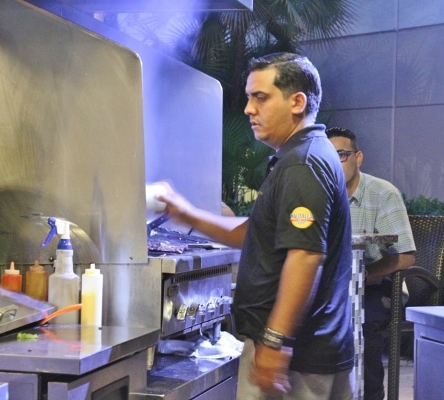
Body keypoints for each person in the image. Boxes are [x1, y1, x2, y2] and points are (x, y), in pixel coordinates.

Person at [157, 52, 354, 399]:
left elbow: (305, 257)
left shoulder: (302, 163)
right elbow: (254, 233)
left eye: (260, 97)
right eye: (249, 97)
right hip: (307, 349)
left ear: (297, 102)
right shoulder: (300, 156)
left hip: (298, 358)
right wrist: (187, 214)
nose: (248, 109)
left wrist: (276, 341)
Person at [326, 126, 416, 400]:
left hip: (378, 284)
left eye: (340, 154)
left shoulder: (382, 193)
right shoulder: (318, 195)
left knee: (360, 321)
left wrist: (364, 276)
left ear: (358, 157)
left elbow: (405, 255)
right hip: (331, 284)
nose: (333, 162)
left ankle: (369, 395)